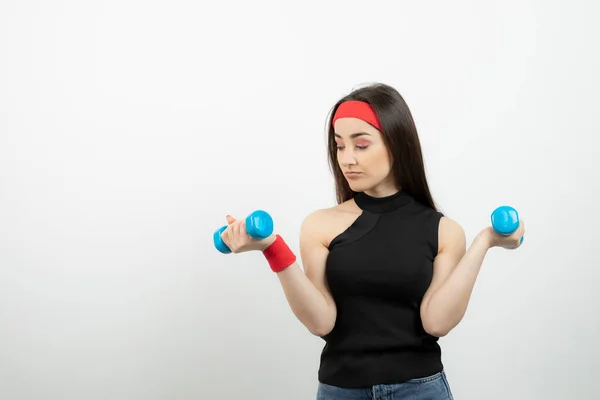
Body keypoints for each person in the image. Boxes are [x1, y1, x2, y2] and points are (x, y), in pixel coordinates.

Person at [220, 82, 525, 400]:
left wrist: (485, 241)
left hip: (421, 390)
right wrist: (272, 248)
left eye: (361, 145)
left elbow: (436, 322)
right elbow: (321, 321)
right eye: (339, 146)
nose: (347, 159)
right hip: (341, 390)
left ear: (396, 145)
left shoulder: (443, 231)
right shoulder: (320, 225)